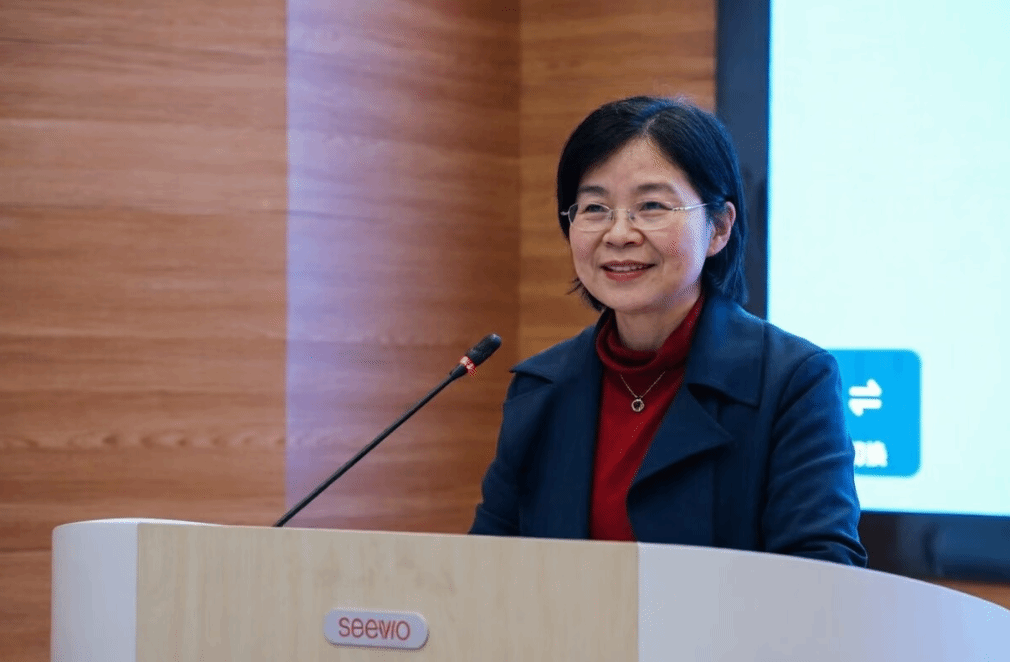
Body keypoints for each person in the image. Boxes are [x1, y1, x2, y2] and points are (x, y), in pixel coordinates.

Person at [469, 96, 867, 566]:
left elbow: (822, 573)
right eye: (594, 208)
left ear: (719, 228)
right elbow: (486, 571)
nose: (619, 234)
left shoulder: (791, 382)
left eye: (651, 206)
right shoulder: (541, 389)